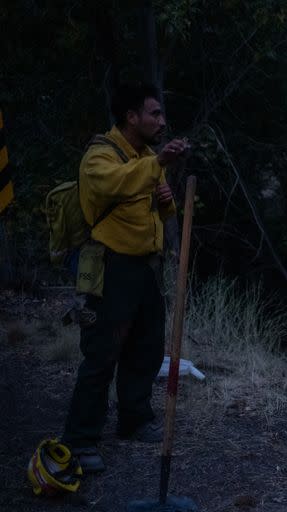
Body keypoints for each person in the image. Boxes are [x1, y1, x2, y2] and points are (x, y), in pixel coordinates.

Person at [60, 84, 190, 473]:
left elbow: (161, 212)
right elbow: (116, 183)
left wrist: (166, 201)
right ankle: (80, 440)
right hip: (111, 267)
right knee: (102, 353)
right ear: (131, 117)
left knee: (146, 348)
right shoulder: (99, 156)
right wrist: (158, 166)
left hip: (144, 267)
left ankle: (133, 419)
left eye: (161, 115)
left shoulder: (146, 157)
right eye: (154, 114)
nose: (161, 121)